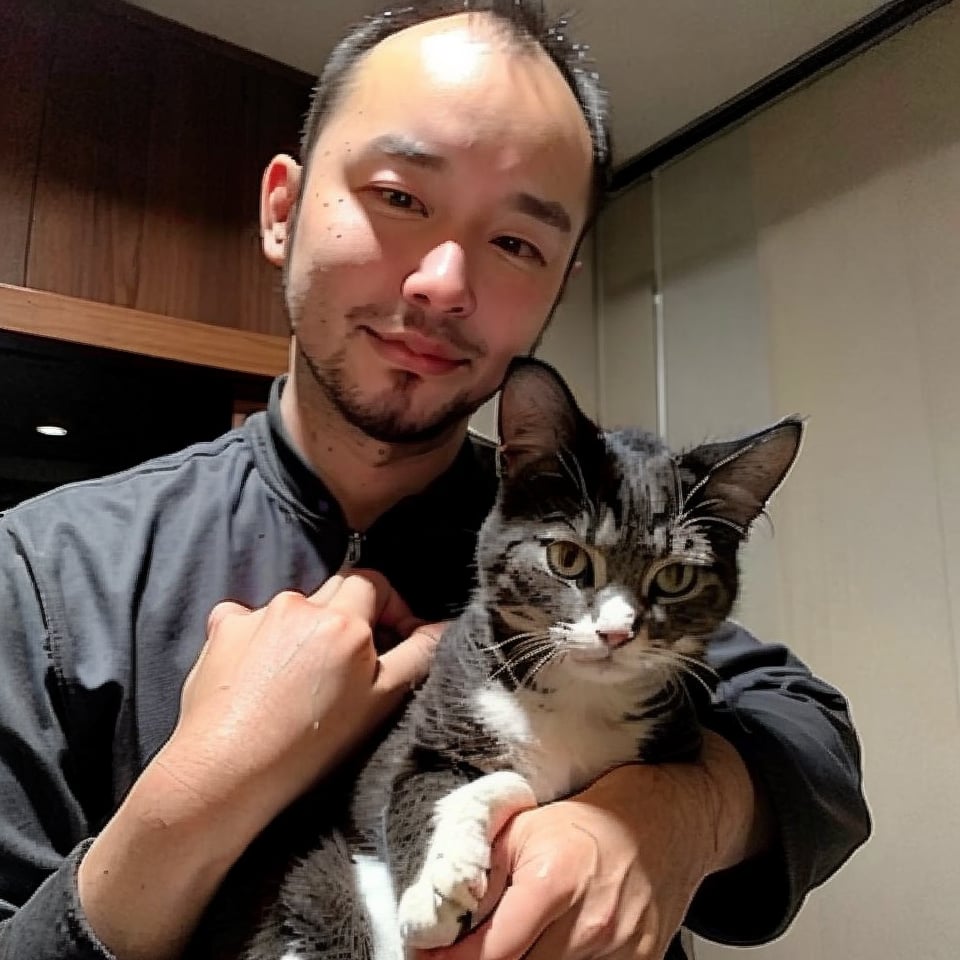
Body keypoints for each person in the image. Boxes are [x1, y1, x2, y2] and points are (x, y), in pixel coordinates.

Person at [0, 3, 870, 959]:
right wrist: (194, 798)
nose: (442, 282)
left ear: (557, 286)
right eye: (399, 197)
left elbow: (811, 734)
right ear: (283, 210)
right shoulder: (43, 568)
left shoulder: (588, 538)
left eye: (516, 244)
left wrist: (677, 812)